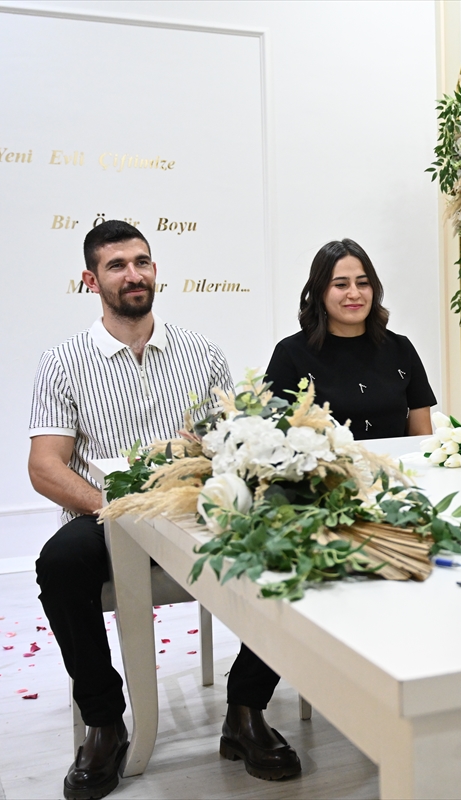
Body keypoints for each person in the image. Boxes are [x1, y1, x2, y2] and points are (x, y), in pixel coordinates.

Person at [30, 221, 301, 800]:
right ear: (91, 281)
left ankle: (246, 710)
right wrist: (119, 506)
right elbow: (45, 467)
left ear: (155, 270)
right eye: (116, 265)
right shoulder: (63, 361)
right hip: (106, 518)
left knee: (289, 548)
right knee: (58, 565)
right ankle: (105, 723)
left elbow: (233, 441)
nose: (133, 274)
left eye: (142, 262)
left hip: (197, 511)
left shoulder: (202, 353)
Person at [265, 238, 435, 438]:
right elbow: (273, 437)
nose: (354, 293)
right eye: (341, 285)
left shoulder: (401, 349)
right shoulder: (291, 353)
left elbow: (421, 436)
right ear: (319, 291)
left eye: (363, 283)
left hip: (395, 459)